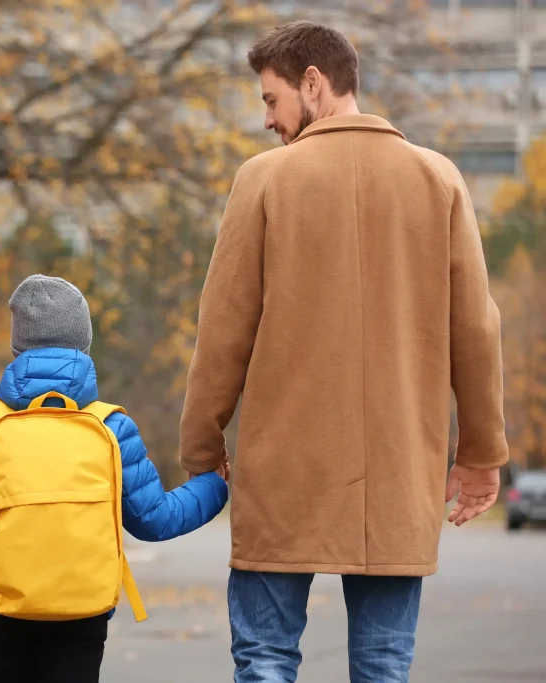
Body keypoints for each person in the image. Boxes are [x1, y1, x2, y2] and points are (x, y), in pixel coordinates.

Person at [178, 21, 509, 683]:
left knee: (266, 657)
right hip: (397, 472)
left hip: (283, 473)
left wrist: (201, 442)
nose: (268, 120)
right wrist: (480, 454)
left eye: (272, 101)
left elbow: (222, 331)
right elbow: (476, 330)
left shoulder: (264, 181)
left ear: (314, 83)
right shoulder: (438, 180)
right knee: (384, 665)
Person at [0, 274, 230, 683]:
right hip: (82, 607)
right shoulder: (111, 427)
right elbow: (156, 519)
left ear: (17, 346)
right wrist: (213, 485)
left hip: (4, 608)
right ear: (83, 342)